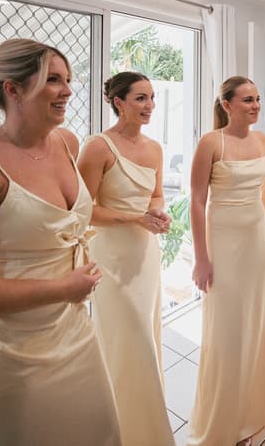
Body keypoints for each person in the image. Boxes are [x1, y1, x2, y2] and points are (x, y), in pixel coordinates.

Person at [0, 38, 121, 446]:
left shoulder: (68, 144)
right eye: (53, 80)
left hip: (73, 335)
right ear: (13, 89)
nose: (69, 90)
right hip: (9, 356)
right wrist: (64, 288)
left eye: (68, 79)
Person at [77, 71, 174, 446]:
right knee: (125, 337)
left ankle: (142, 420)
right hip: (112, 256)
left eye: (152, 98)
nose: (150, 106)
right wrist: (135, 217)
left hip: (144, 254)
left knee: (145, 335)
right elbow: (83, 210)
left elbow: (156, 195)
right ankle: (123, 427)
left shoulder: (154, 149)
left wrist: (159, 212)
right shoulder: (98, 147)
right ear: (118, 102)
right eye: (140, 98)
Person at [187, 76, 265, 446]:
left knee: (256, 316)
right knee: (226, 325)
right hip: (223, 239)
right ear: (226, 105)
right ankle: (228, 416)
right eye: (247, 100)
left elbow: (263, 192)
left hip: (255, 237)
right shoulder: (212, 142)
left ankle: (253, 401)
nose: (255, 106)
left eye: (258, 99)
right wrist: (200, 258)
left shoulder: (260, 140)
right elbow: (196, 201)